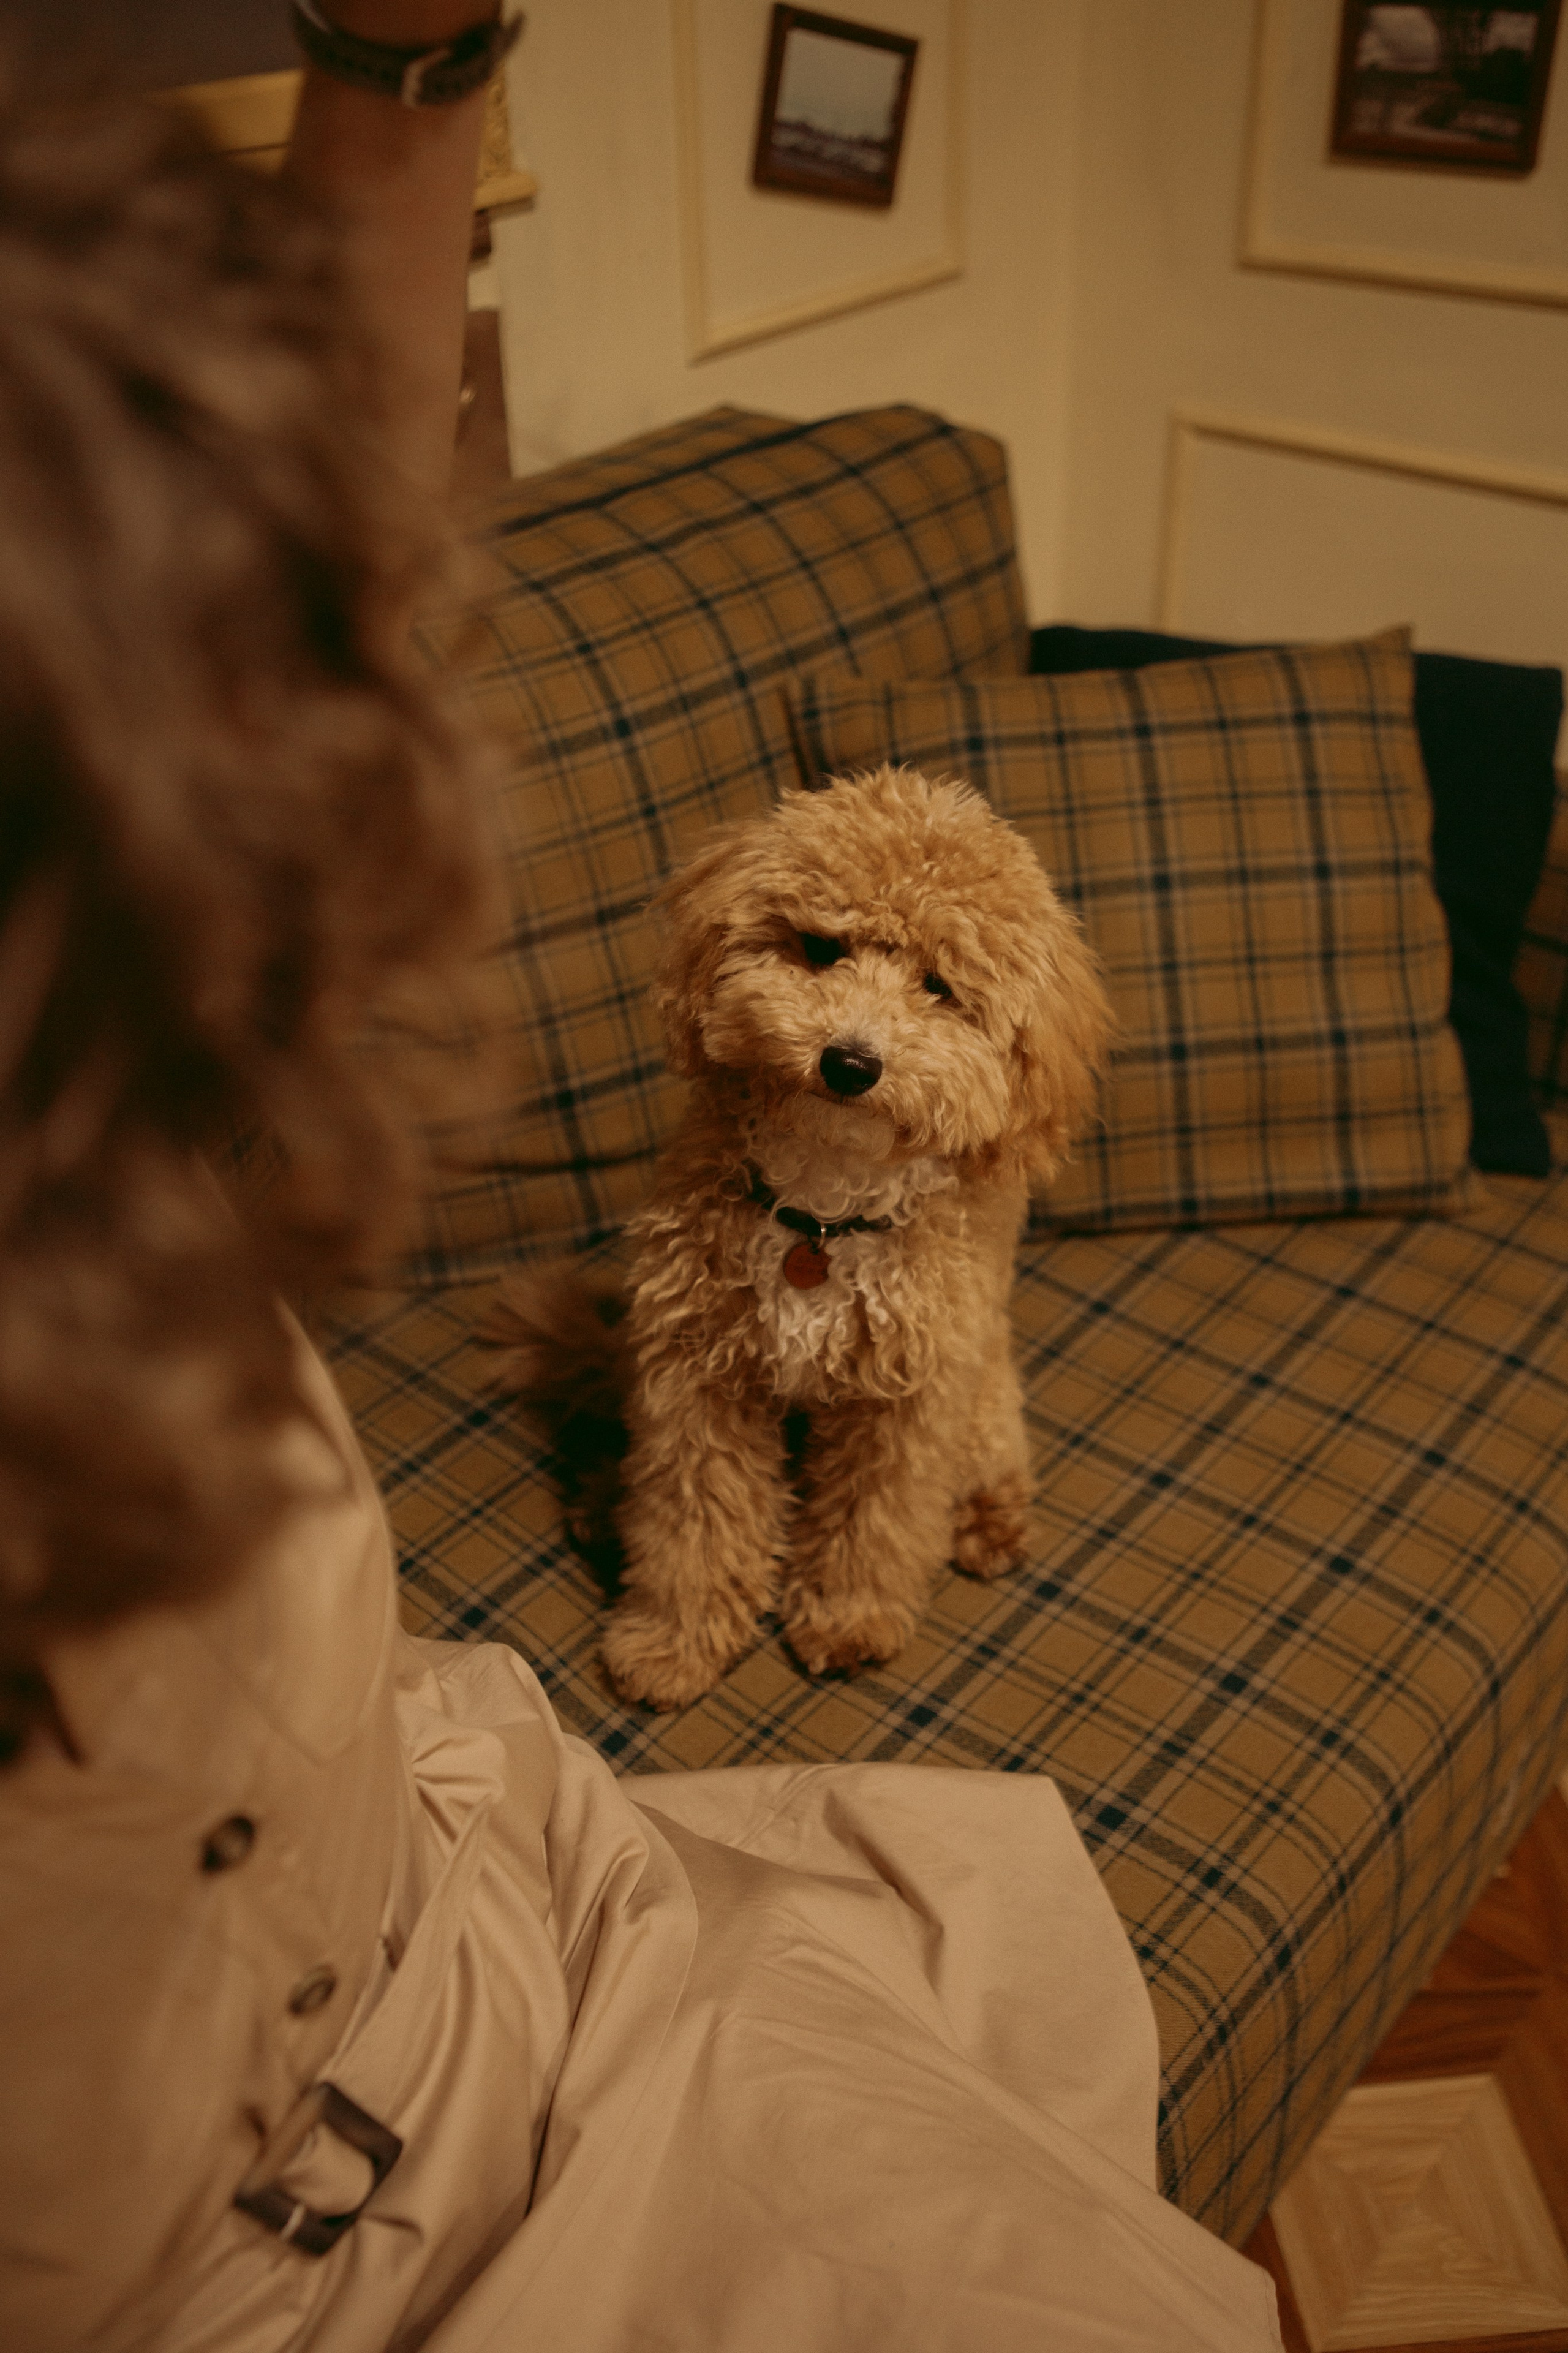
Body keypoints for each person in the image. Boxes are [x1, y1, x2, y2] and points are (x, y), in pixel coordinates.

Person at [0, 9, 1282, 2348]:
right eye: (807, 954)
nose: (848, 1016)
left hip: (480, 1943)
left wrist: (401, 65)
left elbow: (326, 585)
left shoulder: (124, 1076)